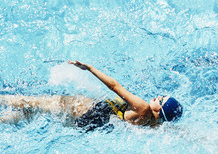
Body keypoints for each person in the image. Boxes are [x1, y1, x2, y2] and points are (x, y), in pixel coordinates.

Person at [0, 60, 183, 131]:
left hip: (91, 110)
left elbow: (114, 86)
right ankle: (4, 120)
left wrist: (90, 68)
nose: (158, 97)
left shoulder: (143, 107)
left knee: (38, 102)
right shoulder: (154, 124)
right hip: (94, 124)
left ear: (160, 111)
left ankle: (3, 99)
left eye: (161, 100)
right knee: (36, 113)